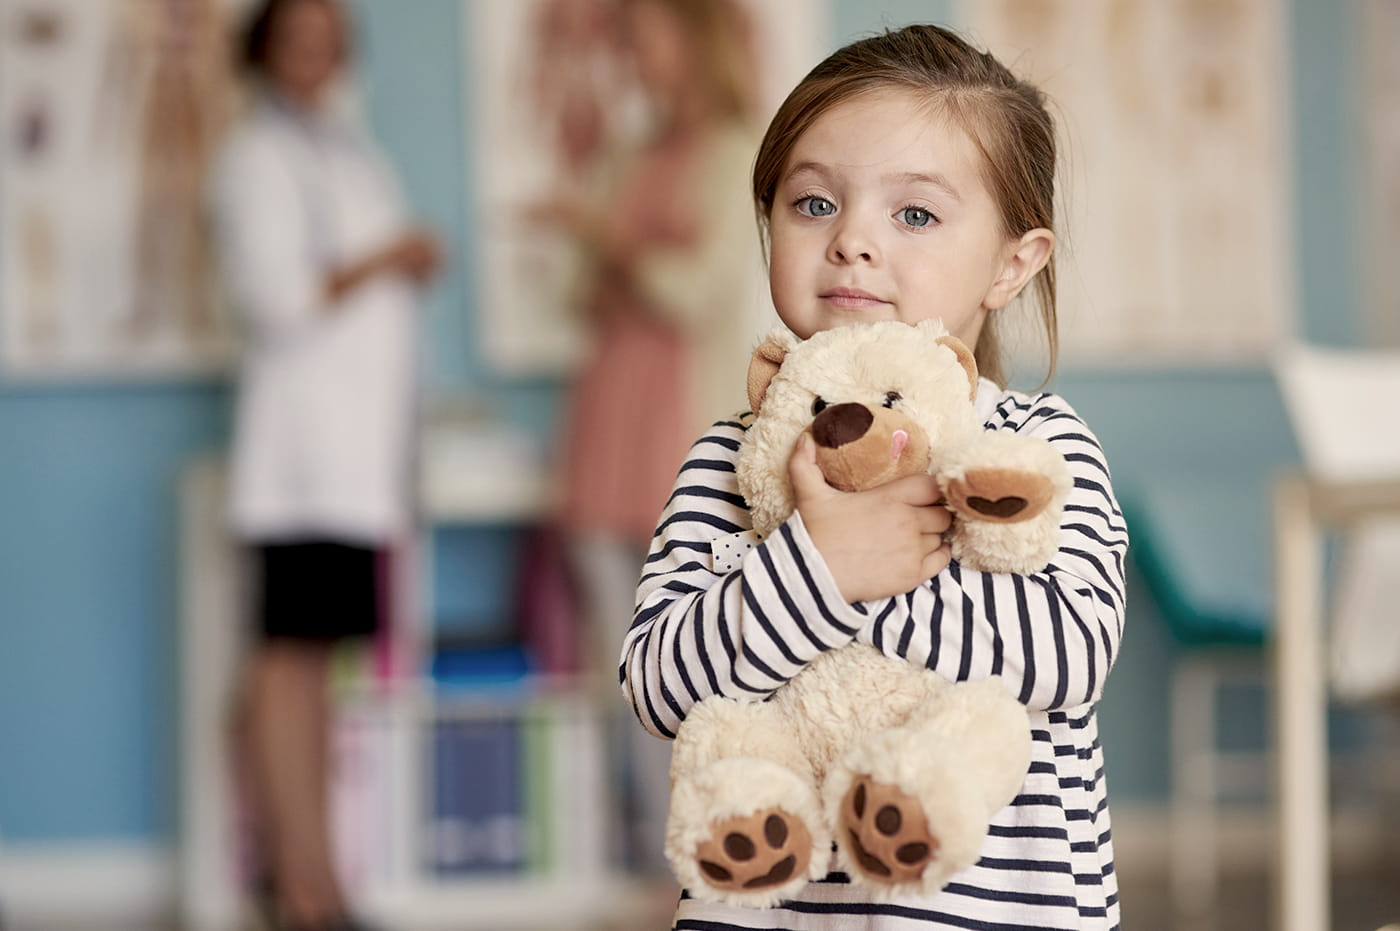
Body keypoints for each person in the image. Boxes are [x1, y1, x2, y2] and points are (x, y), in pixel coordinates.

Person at [620, 22, 1128, 929]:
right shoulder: (729, 461)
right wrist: (818, 563)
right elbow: (659, 686)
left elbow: (1072, 652)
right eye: (813, 204)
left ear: (1014, 264)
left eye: (916, 214)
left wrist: (874, 578)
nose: (852, 239)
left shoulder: (1034, 448)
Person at [208, 1, 440, 928]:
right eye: (299, 39)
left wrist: (392, 261)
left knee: (315, 669)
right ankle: (303, 890)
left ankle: (320, 886)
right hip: (302, 462)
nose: (318, 56)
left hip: (354, 461)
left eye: (331, 40)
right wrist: (391, 255)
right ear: (261, 51)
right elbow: (276, 298)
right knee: (284, 664)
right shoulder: (254, 158)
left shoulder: (345, 149)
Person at [536, 0, 772, 876]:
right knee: (618, 660)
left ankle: (704, 855)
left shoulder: (735, 148)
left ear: (692, 38)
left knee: (695, 661)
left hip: (679, 430)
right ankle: (644, 859)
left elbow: (697, 288)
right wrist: (615, 263)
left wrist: (606, 245)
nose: (633, 58)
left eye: (644, 39)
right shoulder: (629, 155)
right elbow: (575, 294)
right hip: (604, 422)